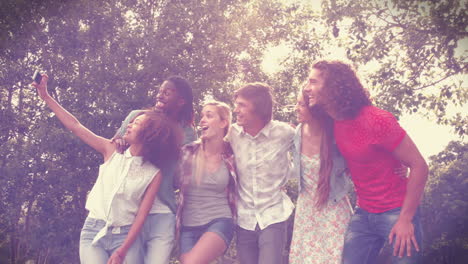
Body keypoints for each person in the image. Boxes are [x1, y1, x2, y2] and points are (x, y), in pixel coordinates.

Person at [32, 74, 181, 264]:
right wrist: (46, 96)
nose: (129, 125)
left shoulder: (154, 174)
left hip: (126, 237)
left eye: (136, 124)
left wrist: (121, 251)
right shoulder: (110, 151)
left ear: (149, 134)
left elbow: (141, 217)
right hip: (93, 230)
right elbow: (75, 126)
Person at [303, 60, 429, 264]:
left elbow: (419, 166)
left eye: (313, 82)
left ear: (333, 86)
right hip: (364, 213)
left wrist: (405, 219)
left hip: (397, 211)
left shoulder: (377, 120)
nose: (307, 88)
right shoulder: (331, 120)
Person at [113, 75, 197, 263]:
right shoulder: (136, 117)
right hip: (130, 210)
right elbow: (113, 149)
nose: (160, 95)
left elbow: (182, 177)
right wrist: (119, 141)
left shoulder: (188, 133)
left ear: (181, 101)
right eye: (160, 91)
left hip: (162, 209)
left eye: (167, 93)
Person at [227, 83, 295, 264]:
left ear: (258, 107)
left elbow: (309, 150)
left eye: (242, 105)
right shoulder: (232, 133)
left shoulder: (284, 133)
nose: (236, 110)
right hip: (244, 218)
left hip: (273, 214)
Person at [288, 92, 352, 264]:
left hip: (333, 209)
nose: (296, 108)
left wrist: (398, 166)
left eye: (301, 105)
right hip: (306, 211)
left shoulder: (336, 134)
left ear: (315, 109)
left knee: (335, 259)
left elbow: (361, 160)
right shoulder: (298, 132)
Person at [175, 101, 237, 264]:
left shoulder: (232, 154)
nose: (202, 120)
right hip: (188, 225)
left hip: (219, 220)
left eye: (209, 116)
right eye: (202, 116)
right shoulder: (188, 152)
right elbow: (170, 179)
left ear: (223, 123)